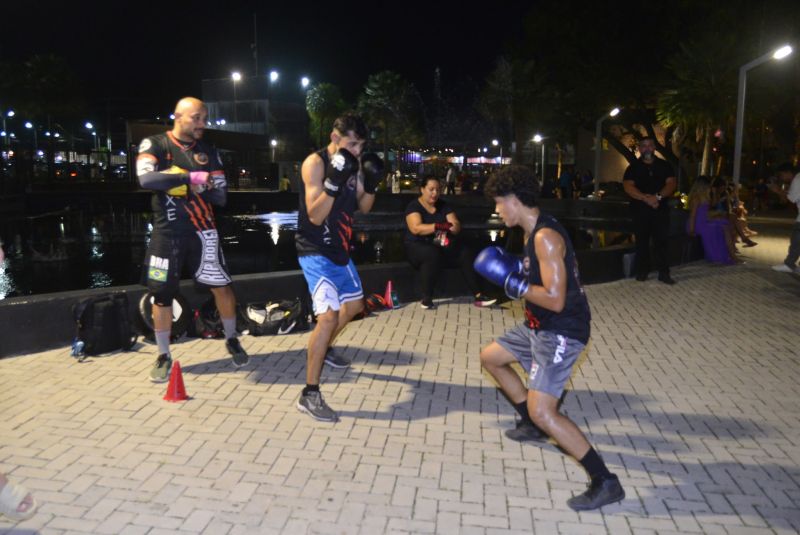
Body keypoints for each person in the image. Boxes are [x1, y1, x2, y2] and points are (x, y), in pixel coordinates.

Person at [475, 165, 625, 511]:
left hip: (561, 330)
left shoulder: (544, 237)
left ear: (514, 200)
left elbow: (555, 298)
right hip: (537, 325)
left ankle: (605, 481)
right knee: (490, 358)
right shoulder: (531, 233)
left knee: (545, 411)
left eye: (500, 202)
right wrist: (515, 270)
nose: (497, 210)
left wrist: (514, 284)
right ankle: (530, 423)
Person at [137, 97, 249, 382]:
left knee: (222, 287)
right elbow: (147, 181)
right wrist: (189, 178)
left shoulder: (209, 151)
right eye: (196, 118)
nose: (202, 123)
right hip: (166, 235)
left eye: (204, 118)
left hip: (204, 233)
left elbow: (221, 197)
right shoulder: (155, 145)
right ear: (178, 116)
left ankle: (232, 338)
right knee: (161, 295)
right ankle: (163, 355)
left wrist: (200, 185)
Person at [295, 112, 383, 422]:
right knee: (329, 317)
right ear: (335, 138)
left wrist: (370, 183)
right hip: (314, 249)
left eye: (361, 145)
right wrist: (333, 181)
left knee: (355, 306)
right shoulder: (315, 164)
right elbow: (316, 215)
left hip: (340, 250)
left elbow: (364, 206)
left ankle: (325, 346)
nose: (358, 151)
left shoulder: (356, 163)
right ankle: (310, 394)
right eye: (353, 144)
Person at [405, 175, 496, 310]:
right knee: (432, 253)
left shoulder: (443, 205)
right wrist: (438, 226)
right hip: (417, 246)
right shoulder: (414, 206)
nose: (435, 193)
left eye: (438, 190)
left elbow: (455, 225)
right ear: (422, 189)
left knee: (464, 252)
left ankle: (478, 295)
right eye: (431, 189)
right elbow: (416, 228)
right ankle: (426, 298)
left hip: (439, 243)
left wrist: (451, 227)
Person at [622, 137, 677, 284]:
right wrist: (646, 198)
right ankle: (642, 271)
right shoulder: (633, 167)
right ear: (640, 149)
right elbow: (628, 186)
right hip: (640, 211)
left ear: (654, 148)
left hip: (660, 210)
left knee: (662, 242)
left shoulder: (665, 166)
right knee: (641, 242)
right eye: (644, 146)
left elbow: (671, 184)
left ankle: (664, 273)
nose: (647, 148)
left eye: (650, 145)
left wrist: (657, 197)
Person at [687, 177, 738, 264]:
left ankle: (730, 254)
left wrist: (714, 194)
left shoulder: (704, 197)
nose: (710, 188)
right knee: (721, 226)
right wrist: (691, 229)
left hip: (704, 221)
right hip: (697, 224)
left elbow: (712, 205)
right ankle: (727, 256)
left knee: (725, 223)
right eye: (708, 186)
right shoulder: (696, 198)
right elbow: (693, 216)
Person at [770, 163, 800, 273]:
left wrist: (777, 191)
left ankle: (789, 264)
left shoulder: (797, 180)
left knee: (796, 241)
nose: (781, 178)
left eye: (781, 175)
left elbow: (789, 201)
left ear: (788, 172)